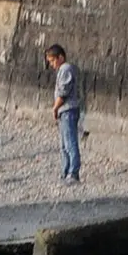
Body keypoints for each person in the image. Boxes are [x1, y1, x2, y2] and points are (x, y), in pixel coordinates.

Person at [45, 43, 81, 183]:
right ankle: (65, 171)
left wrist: (55, 108)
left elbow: (63, 92)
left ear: (60, 57)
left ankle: (73, 172)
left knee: (70, 142)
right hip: (64, 111)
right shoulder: (63, 70)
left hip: (68, 110)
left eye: (53, 61)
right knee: (64, 144)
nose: (52, 65)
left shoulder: (66, 69)